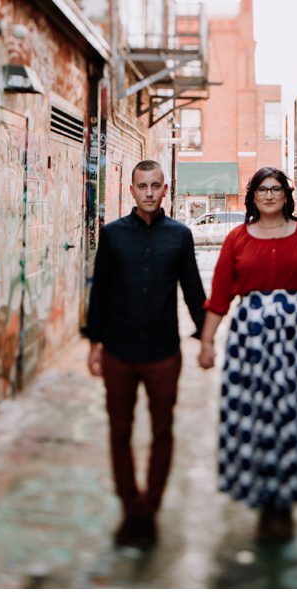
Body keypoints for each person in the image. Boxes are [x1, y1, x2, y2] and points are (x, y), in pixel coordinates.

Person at [196, 166, 297, 542]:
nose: (270, 195)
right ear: (253, 197)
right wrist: (207, 342)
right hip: (251, 343)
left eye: (276, 189)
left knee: (296, 415)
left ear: (287, 195)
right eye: (262, 189)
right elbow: (219, 296)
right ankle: (264, 504)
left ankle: (286, 504)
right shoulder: (237, 239)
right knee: (256, 415)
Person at [84, 160, 207, 548]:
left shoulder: (180, 236)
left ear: (165, 189)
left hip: (163, 352)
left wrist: (206, 338)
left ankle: (149, 511)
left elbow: (193, 290)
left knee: (162, 431)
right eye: (143, 186)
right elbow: (99, 291)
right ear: (132, 190)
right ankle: (130, 509)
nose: (149, 192)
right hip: (118, 351)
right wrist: (94, 344)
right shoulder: (112, 235)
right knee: (120, 431)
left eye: (156, 186)